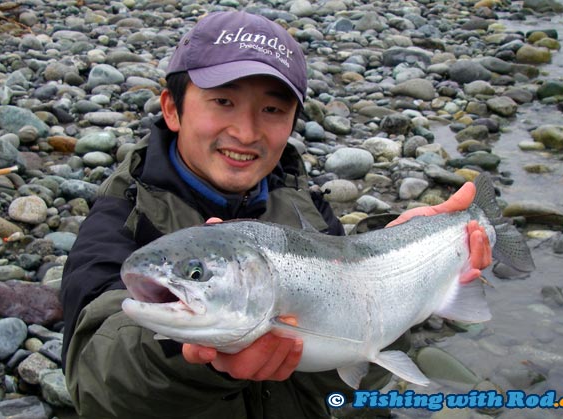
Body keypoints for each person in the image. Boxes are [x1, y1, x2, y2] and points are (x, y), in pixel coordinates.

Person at [61, 10, 491, 419]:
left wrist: (407, 272)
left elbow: (347, 384)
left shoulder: (310, 212)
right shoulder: (120, 218)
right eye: (223, 101)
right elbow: (93, 385)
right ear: (172, 108)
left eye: (272, 110)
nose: (246, 132)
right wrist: (191, 357)